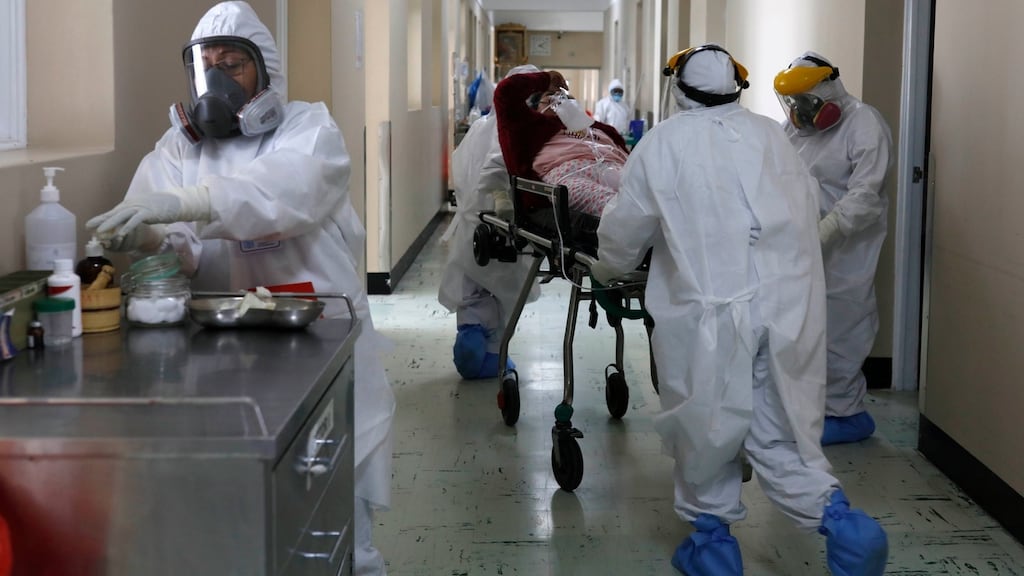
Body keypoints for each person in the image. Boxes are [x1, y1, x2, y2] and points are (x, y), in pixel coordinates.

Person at [85, 3, 394, 574]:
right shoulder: (181, 147)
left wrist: (191, 202)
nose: (218, 80)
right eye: (207, 66)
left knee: (339, 497)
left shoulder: (309, 128)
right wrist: (151, 236)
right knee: (254, 500)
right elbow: (181, 242)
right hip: (230, 341)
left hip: (319, 333)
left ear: (264, 72)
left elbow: (287, 191)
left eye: (234, 64)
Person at [591, 44, 888, 576]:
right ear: (736, 88)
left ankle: (713, 547)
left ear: (677, 89)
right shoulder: (772, 138)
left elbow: (623, 233)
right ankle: (845, 527)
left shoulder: (661, 145)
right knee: (775, 428)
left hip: (709, 318)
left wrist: (604, 270)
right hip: (784, 312)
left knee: (707, 428)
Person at [774, 52, 893, 446]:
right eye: (794, 103)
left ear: (828, 90)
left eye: (807, 101)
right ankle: (808, 407)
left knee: (843, 323)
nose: (800, 112)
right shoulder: (793, 131)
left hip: (846, 250)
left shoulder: (863, 123)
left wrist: (827, 229)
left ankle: (846, 414)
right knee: (800, 327)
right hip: (798, 245)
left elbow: (866, 194)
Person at [439, 64, 542, 380]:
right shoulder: (514, 130)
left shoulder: (480, 126)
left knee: (471, 287)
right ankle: (493, 356)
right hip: (503, 226)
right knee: (505, 292)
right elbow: (498, 172)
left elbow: (459, 167)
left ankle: (469, 334)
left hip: (472, 224)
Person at [493, 69, 630, 219]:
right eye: (550, 96)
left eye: (567, 98)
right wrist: (546, 79)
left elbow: (629, 157)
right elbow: (505, 94)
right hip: (566, 174)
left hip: (614, 166)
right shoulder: (531, 126)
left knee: (645, 195)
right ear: (537, 107)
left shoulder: (602, 130)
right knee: (616, 207)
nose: (560, 100)